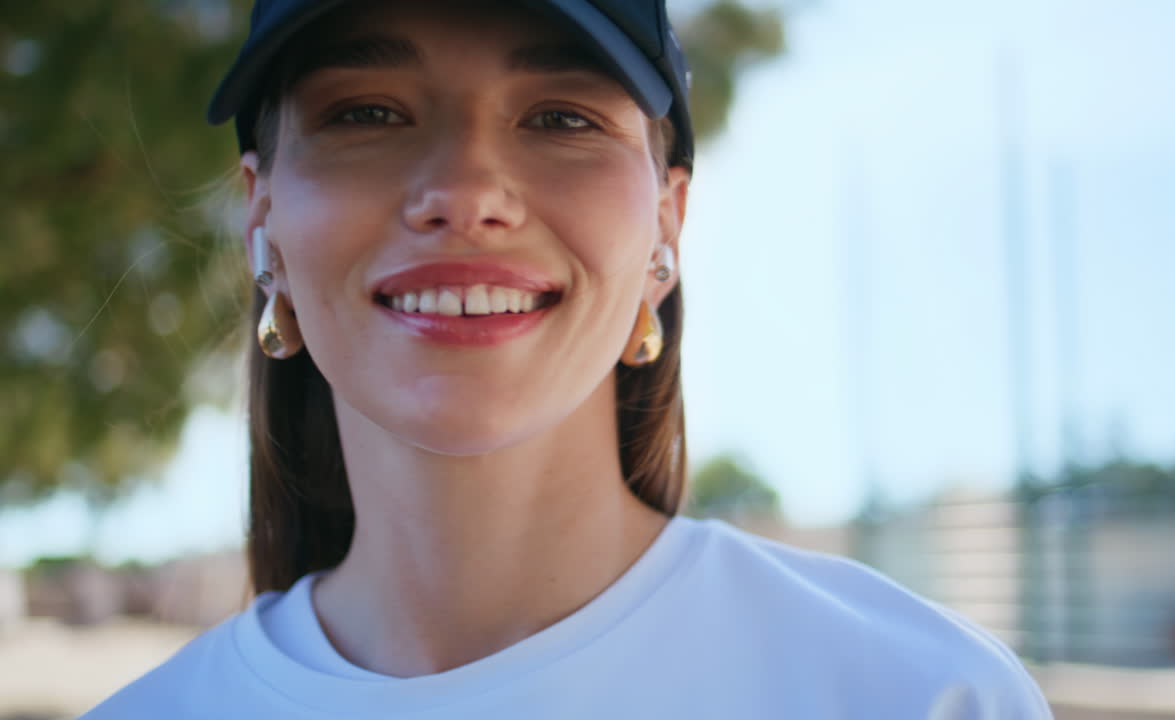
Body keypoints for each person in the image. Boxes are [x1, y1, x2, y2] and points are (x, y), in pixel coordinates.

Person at [83, 0, 1052, 717]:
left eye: (559, 117)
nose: (463, 192)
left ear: (666, 223)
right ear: (262, 218)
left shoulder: (915, 696)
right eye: (367, 113)